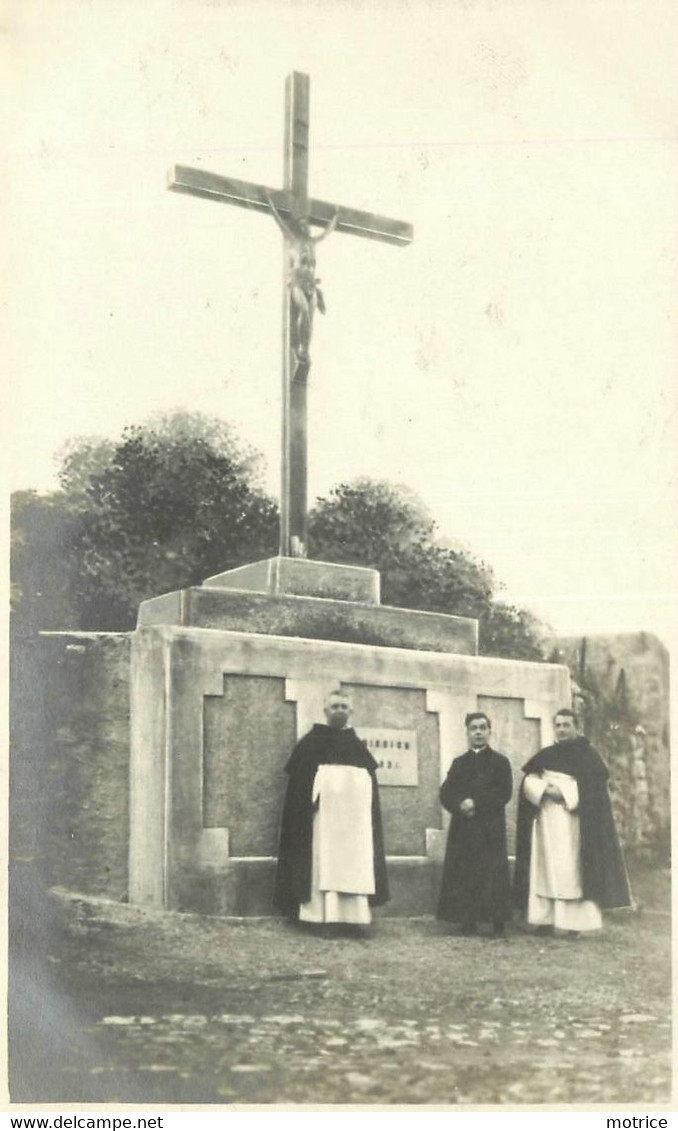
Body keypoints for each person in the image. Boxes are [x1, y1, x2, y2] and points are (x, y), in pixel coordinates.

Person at [273, 687, 389, 932]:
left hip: (351, 827)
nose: (339, 711)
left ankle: (353, 919)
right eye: (335, 706)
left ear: (351, 712)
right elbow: (300, 786)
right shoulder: (310, 743)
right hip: (320, 822)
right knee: (320, 865)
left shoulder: (356, 746)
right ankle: (319, 918)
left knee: (353, 865)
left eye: (344, 707)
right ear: (325, 710)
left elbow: (369, 784)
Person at [513, 708, 631, 938]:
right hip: (547, 822)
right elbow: (529, 780)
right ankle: (544, 920)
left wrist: (565, 792)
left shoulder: (589, 756)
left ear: (576, 727)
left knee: (571, 872)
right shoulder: (546, 754)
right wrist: (543, 789)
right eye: (558, 725)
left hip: (573, 824)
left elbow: (593, 789)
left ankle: (574, 924)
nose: (562, 730)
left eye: (567, 725)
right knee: (544, 870)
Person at [436, 712, 513, 937]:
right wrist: (459, 804)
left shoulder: (500, 762)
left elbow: (504, 792)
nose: (478, 732)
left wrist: (476, 802)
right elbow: (446, 791)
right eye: (473, 728)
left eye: (482, 728)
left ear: (490, 731)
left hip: (490, 827)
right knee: (465, 873)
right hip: (465, 828)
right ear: (468, 732)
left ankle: (498, 921)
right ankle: (467, 919)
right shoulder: (459, 763)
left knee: (493, 872)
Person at [266, 193, 339, 362]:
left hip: (310, 285)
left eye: (308, 226)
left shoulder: (312, 242)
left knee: (310, 318)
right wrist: (270, 203)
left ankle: (304, 350)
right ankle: (299, 346)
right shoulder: (294, 240)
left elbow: (326, 233)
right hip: (297, 283)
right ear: (299, 228)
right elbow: (279, 222)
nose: (307, 228)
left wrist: (335, 217)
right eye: (304, 225)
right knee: (304, 310)